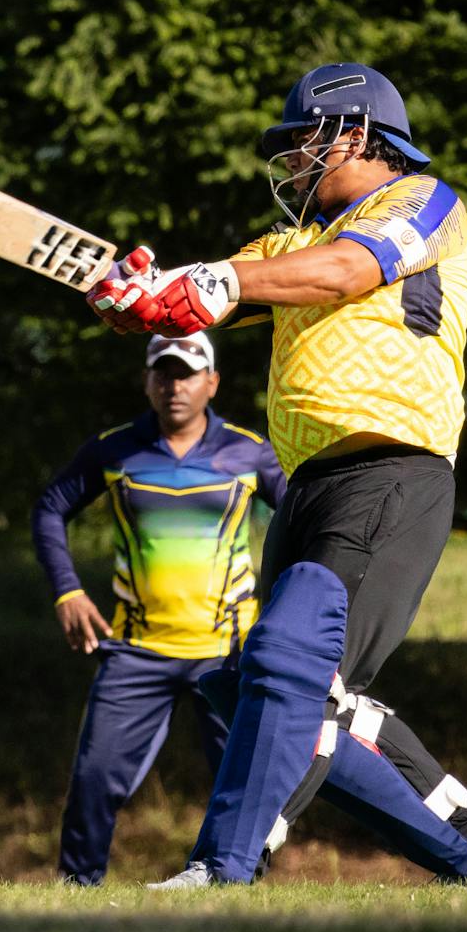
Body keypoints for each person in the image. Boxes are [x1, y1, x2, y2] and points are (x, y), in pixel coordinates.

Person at [86, 62, 467, 888]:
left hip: (392, 470)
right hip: (309, 490)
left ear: (357, 134)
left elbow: (349, 272)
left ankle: (223, 868)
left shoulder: (423, 203)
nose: (293, 159)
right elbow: (217, 292)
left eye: (304, 140)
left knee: (298, 670)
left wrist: (215, 280)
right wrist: (142, 295)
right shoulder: (287, 244)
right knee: (260, 685)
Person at [31, 332, 286, 886]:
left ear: (212, 382)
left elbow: (302, 524)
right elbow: (50, 508)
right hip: (135, 652)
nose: (176, 386)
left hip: (229, 654)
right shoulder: (114, 450)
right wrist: (67, 591)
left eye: (188, 373)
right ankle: (76, 894)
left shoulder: (249, 452)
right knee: (94, 779)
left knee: (244, 791)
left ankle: (239, 891)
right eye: (164, 373)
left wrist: (283, 616)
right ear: (147, 381)